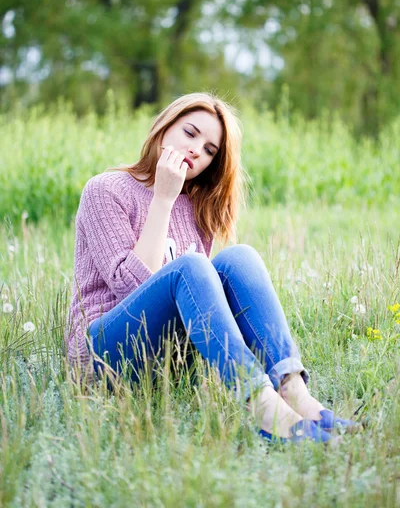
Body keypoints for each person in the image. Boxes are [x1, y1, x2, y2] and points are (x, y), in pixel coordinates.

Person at [65, 92, 358, 444]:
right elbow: (131, 289)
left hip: (168, 363)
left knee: (239, 257)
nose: (196, 151)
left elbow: (199, 311)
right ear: (164, 128)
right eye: (190, 133)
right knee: (190, 267)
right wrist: (163, 198)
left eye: (209, 150)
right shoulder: (105, 190)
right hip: (103, 357)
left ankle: (294, 393)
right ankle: (263, 407)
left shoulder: (196, 209)